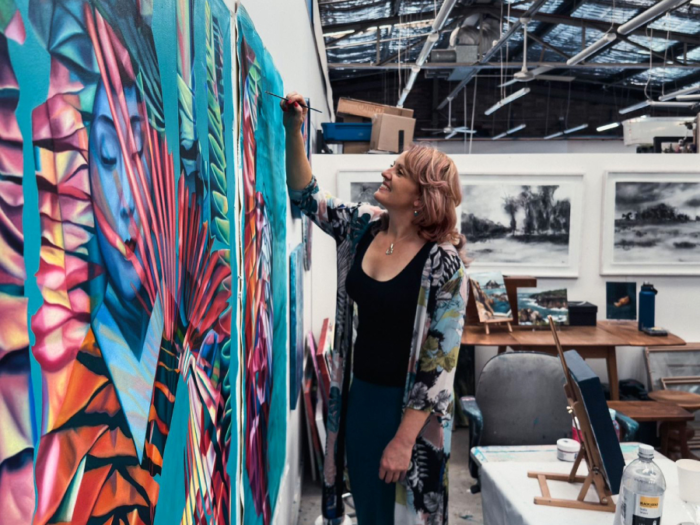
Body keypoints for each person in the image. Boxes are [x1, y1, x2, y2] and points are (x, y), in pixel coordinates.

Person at [282, 92, 469, 525]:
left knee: (404, 515)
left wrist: (403, 442)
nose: (385, 171)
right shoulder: (362, 226)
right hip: (360, 398)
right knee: (369, 509)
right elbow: (307, 196)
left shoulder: (444, 263)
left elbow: (439, 366)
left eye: (399, 171)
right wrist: (294, 129)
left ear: (421, 196)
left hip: (409, 415)